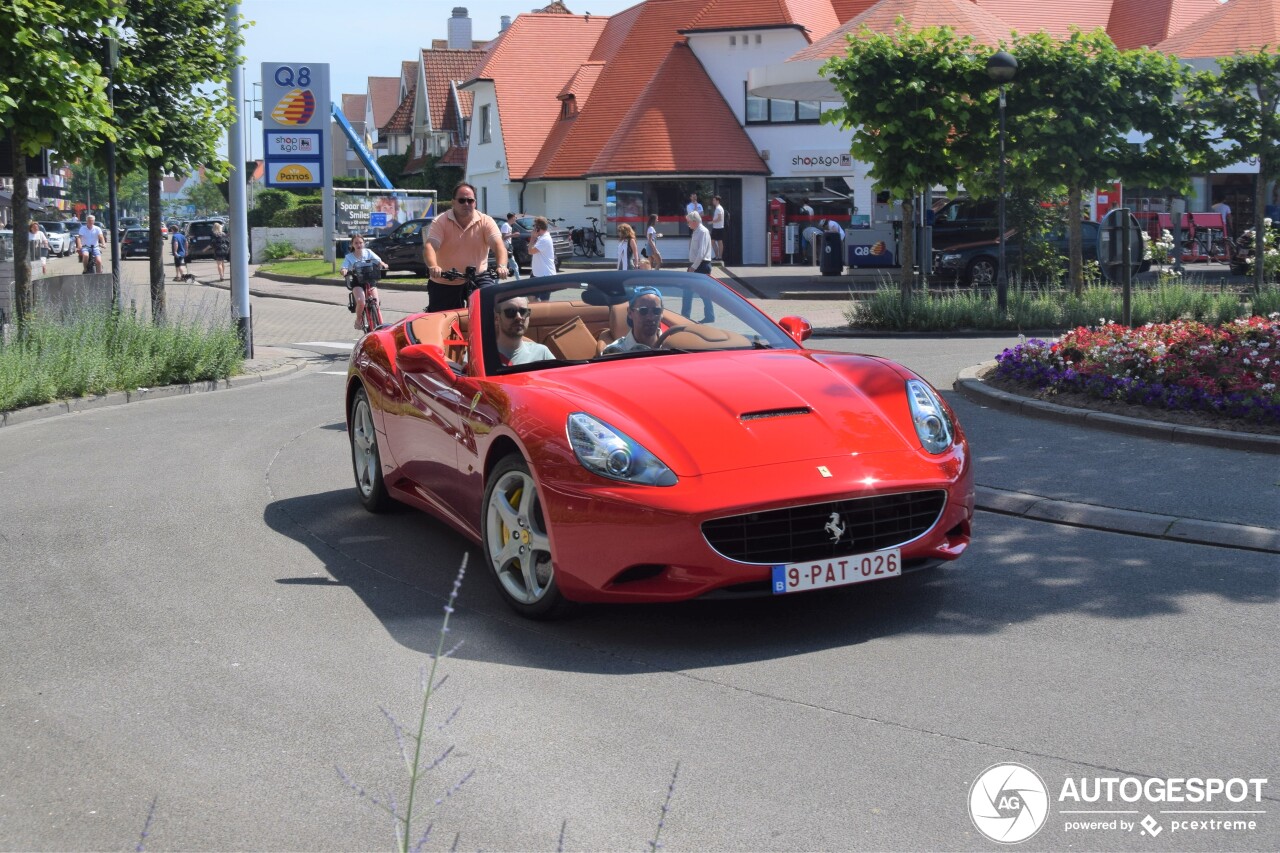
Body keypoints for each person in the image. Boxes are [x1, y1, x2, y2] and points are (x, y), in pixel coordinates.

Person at [423, 182, 509, 311]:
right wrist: (433, 266)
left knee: (491, 308)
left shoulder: (486, 221)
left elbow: (498, 246)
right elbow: (430, 246)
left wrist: (502, 266)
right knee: (441, 320)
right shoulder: (441, 221)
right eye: (462, 200)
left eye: (470, 200)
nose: (466, 204)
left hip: (478, 277)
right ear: (453, 202)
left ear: (475, 202)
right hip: (446, 279)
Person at [342, 234, 389, 331]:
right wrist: (344, 270)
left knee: (375, 302)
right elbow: (344, 266)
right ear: (352, 245)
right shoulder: (349, 257)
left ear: (364, 243)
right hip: (358, 282)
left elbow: (378, 260)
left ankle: (381, 326)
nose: (359, 245)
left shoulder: (368, 252)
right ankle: (359, 319)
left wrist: (383, 264)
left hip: (370, 280)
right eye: (356, 243)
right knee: (361, 301)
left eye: (360, 242)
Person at [493, 294, 554, 366]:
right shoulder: (483, 356)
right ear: (497, 318)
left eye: (523, 312)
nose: (519, 317)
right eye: (510, 312)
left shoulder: (542, 353)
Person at [603, 286, 665, 354]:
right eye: (643, 311)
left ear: (662, 313)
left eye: (656, 311)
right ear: (630, 313)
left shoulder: (673, 346)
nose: (650, 317)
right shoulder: (614, 352)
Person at [684, 211, 716, 321]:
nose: (688, 224)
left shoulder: (703, 231)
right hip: (696, 265)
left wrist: (693, 267)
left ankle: (707, 316)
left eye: (689, 222)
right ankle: (687, 316)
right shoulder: (696, 231)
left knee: (702, 293)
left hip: (701, 266)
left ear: (694, 221)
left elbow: (701, 252)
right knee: (689, 291)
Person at [500, 212, 521, 280]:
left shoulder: (509, 226)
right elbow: (503, 237)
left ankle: (498, 280)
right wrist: (513, 235)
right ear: (512, 218)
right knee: (514, 265)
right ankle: (519, 281)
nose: (515, 219)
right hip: (506, 247)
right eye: (515, 217)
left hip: (508, 246)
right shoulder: (506, 225)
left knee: (505, 265)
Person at [709, 195, 726, 261]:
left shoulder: (719, 208)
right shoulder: (717, 208)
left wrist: (712, 222)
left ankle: (719, 257)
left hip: (719, 228)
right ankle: (717, 256)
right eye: (713, 200)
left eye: (714, 200)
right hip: (716, 227)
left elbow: (719, 218)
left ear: (717, 201)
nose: (713, 201)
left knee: (718, 242)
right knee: (713, 242)